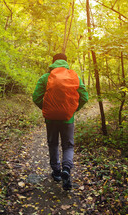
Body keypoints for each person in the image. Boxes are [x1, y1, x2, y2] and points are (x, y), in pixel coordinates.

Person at [32, 53, 88, 190]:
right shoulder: (74, 77)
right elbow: (84, 97)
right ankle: (67, 170)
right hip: (68, 119)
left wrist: (46, 109)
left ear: (53, 62)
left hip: (50, 118)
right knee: (68, 146)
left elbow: (36, 97)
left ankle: (56, 172)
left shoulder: (46, 77)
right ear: (66, 62)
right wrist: (72, 110)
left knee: (53, 144)